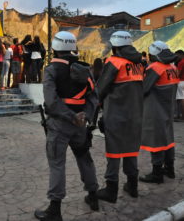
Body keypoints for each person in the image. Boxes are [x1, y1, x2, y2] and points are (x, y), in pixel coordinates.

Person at [34, 31, 99, 221]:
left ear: (55, 48)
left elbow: (52, 102)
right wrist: (83, 116)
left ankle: (54, 210)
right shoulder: (85, 69)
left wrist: (71, 117)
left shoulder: (51, 70)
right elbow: (94, 98)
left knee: (57, 165)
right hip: (80, 125)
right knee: (84, 158)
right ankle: (93, 196)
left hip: (59, 125)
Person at [96, 31, 144, 203]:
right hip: (136, 116)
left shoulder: (114, 62)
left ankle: (111, 191)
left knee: (115, 152)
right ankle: (133, 186)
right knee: (131, 151)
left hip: (116, 116)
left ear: (115, 46)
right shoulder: (139, 64)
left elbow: (99, 90)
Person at [140, 41, 179, 183]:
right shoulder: (172, 68)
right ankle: (170, 169)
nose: (150, 57)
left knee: (156, 141)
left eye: (151, 54)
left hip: (155, 111)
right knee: (168, 140)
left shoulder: (155, 68)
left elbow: (143, 89)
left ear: (155, 54)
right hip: (168, 110)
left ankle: (157, 174)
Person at [175, 50, 184, 120]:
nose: (176, 57)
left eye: (177, 56)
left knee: (181, 99)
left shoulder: (181, 62)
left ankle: (182, 116)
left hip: (181, 81)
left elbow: (179, 73)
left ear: (181, 55)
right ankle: (179, 115)